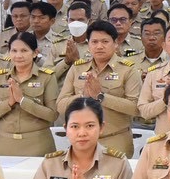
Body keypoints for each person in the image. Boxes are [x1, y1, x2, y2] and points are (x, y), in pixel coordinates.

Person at [57, 21, 142, 156]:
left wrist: (101, 96)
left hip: (115, 140)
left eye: (105, 41)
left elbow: (136, 108)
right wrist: (82, 96)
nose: (99, 46)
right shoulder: (77, 68)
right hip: (82, 141)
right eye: (94, 42)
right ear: (88, 44)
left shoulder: (128, 70)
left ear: (115, 44)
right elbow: (60, 106)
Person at [0, 32, 60, 156]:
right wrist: (9, 103)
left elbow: (52, 115)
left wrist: (22, 100)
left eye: (24, 50)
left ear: (35, 53)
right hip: (5, 145)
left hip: (38, 144)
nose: (18, 55)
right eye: (14, 51)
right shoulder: (0, 77)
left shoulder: (47, 77)